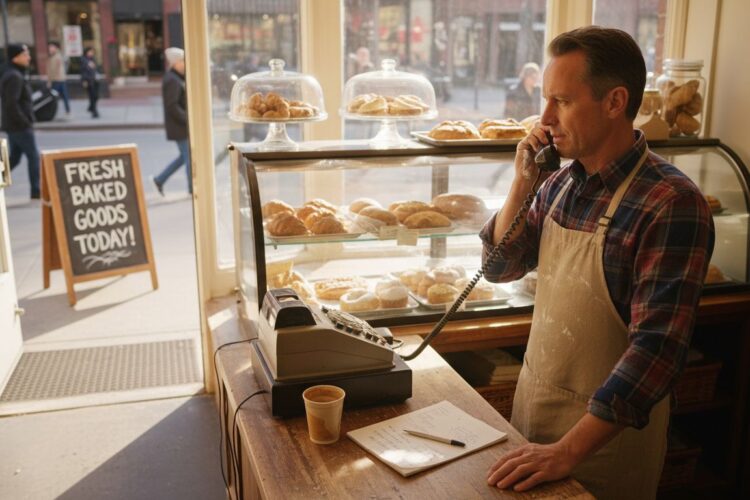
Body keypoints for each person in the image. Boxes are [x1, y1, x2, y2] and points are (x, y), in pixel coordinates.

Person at [481, 27, 714, 499]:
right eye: (546, 100)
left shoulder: (670, 203)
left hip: (603, 450)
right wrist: (522, 183)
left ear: (614, 102)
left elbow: (657, 353)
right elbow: (499, 269)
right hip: (532, 420)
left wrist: (566, 451)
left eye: (561, 102)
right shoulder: (559, 184)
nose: (544, 118)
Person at [0, 44, 40, 199]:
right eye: (25, 54)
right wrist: (24, 122)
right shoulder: (14, 76)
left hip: (15, 124)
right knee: (33, 156)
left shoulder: (15, 73)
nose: (29, 57)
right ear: (16, 57)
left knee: (14, 157)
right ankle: (36, 191)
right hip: (19, 125)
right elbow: (11, 103)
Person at [152, 47, 191, 195]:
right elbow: (172, 106)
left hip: (180, 126)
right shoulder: (172, 80)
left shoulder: (176, 77)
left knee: (184, 157)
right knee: (188, 159)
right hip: (179, 127)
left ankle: (160, 180)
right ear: (175, 63)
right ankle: (192, 190)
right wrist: (188, 120)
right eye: (183, 61)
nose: (185, 64)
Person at [46, 41, 70, 115]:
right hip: (56, 79)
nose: (49, 49)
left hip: (58, 80)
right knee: (59, 96)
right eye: (49, 47)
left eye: (51, 47)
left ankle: (66, 111)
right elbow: (49, 70)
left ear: (55, 48)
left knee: (56, 96)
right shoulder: (51, 57)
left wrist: (50, 81)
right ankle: (66, 110)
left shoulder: (58, 56)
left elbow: (55, 69)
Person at [80, 47, 99, 118]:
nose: (91, 53)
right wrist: (84, 81)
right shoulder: (83, 60)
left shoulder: (93, 59)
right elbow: (83, 72)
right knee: (92, 96)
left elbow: (95, 69)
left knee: (96, 96)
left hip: (95, 80)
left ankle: (90, 107)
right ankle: (94, 112)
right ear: (86, 52)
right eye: (90, 52)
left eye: (92, 52)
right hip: (88, 81)